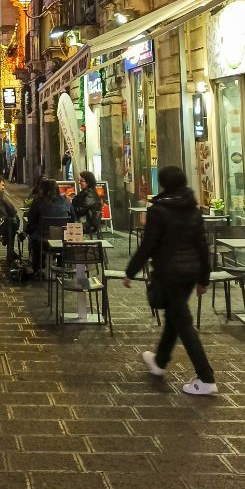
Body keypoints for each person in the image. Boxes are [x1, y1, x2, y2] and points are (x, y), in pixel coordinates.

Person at [124, 165, 217, 396]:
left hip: (169, 273)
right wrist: (203, 278)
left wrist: (130, 271)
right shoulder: (193, 210)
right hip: (190, 273)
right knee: (175, 317)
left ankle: (206, 378)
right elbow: (202, 247)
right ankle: (159, 362)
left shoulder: (158, 210)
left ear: (164, 184)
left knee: (182, 322)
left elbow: (148, 245)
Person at [26, 178, 76, 277]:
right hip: (62, 242)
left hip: (43, 242)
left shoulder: (38, 202)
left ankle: (38, 268)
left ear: (43, 190)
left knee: (33, 234)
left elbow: (31, 220)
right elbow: (73, 219)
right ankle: (61, 267)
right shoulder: (66, 202)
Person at [0, 176, 21, 248]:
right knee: (15, 220)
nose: (3, 188)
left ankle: (5, 239)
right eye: (2, 185)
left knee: (12, 222)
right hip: (2, 226)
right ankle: (9, 248)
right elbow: (12, 210)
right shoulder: (1, 193)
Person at [72, 171, 103, 236]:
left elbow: (81, 210)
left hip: (86, 224)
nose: (79, 182)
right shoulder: (85, 192)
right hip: (84, 221)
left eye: (81, 181)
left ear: (88, 182)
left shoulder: (90, 194)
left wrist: (70, 208)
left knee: (63, 225)